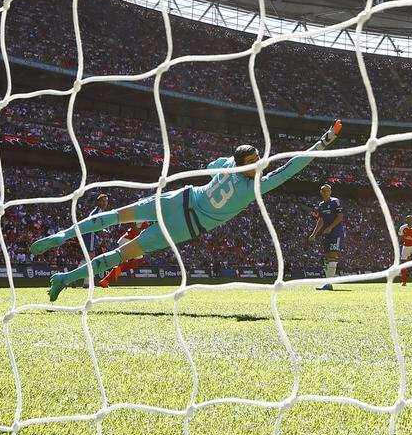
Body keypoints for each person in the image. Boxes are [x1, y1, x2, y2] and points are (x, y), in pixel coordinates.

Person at [32, 121, 342, 301]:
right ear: (242, 165)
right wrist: (322, 142)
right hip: (187, 223)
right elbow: (291, 167)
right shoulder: (254, 188)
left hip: (181, 200)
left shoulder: (226, 166)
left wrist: (227, 165)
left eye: (259, 159)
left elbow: (212, 166)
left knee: (118, 225)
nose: (259, 164)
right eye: (253, 162)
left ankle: (65, 263)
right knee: (121, 241)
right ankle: (64, 267)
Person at [308, 184, 344, 291]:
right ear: (321, 192)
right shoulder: (321, 205)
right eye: (323, 191)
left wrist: (330, 227)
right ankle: (327, 283)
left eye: (327, 191)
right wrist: (314, 233)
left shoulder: (335, 201)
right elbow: (321, 220)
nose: (325, 193)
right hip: (327, 233)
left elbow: (340, 216)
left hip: (336, 232)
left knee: (333, 254)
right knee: (327, 256)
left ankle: (329, 284)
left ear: (330, 192)